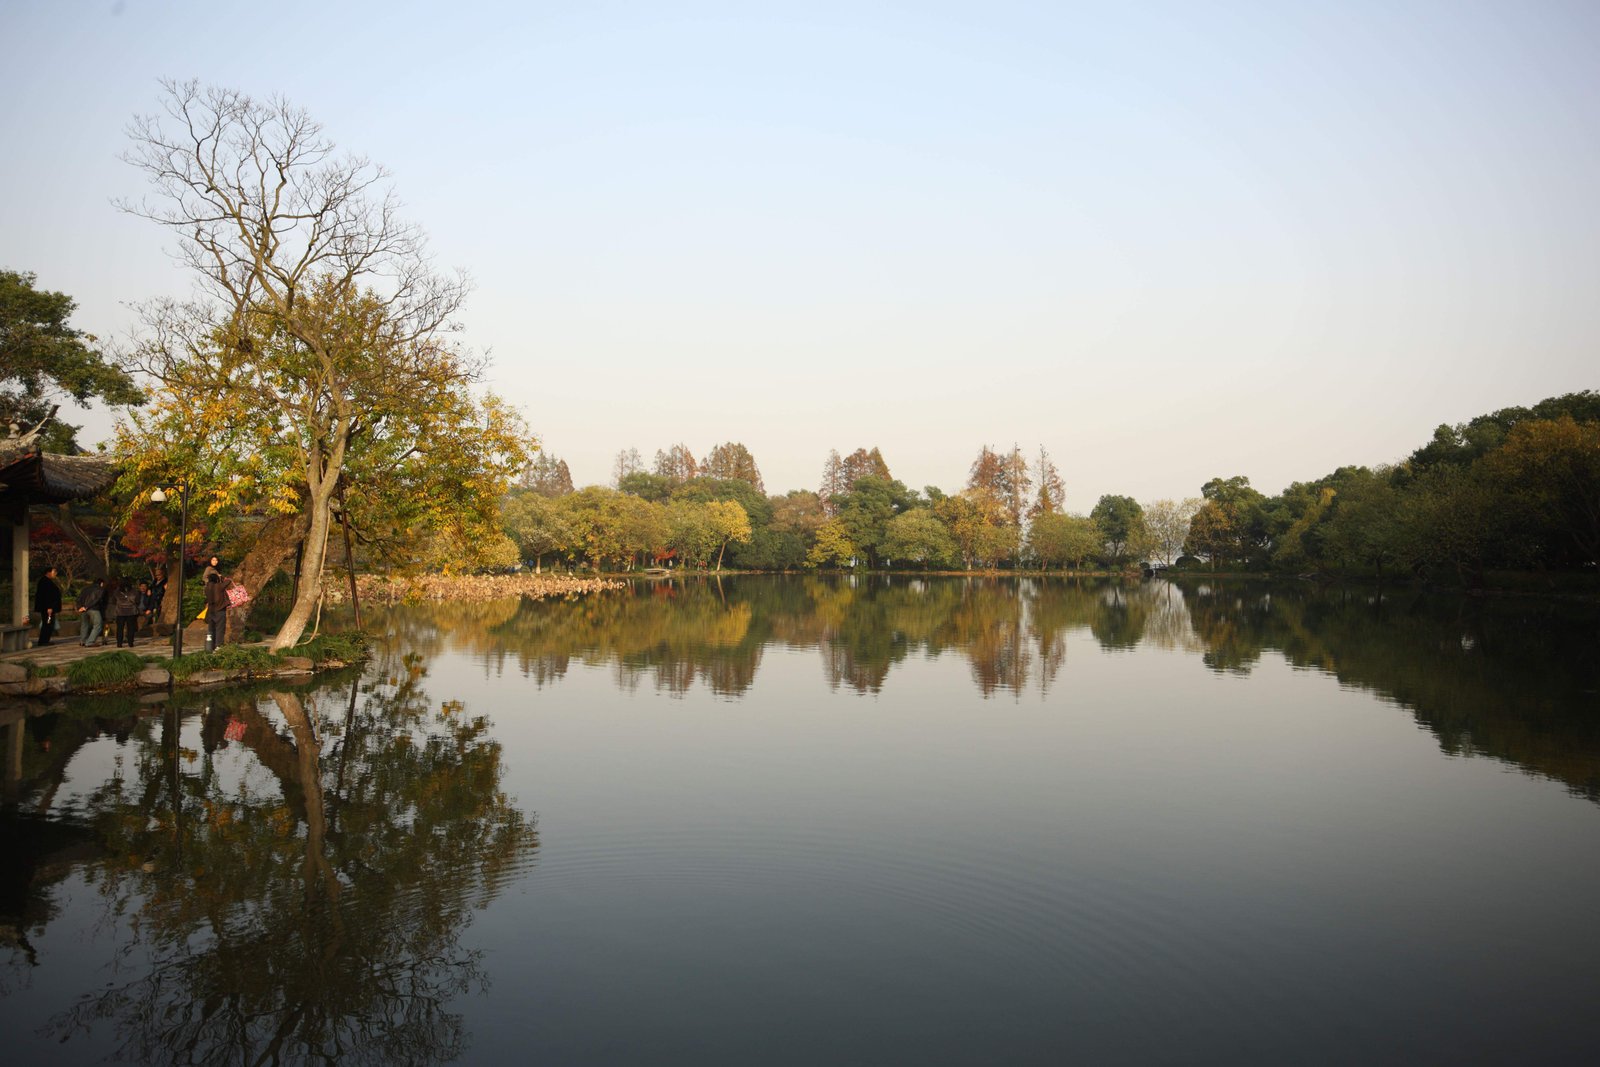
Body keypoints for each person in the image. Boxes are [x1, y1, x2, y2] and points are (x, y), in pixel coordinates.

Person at [33, 566, 62, 646]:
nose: (55, 573)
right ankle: (43, 641)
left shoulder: (47, 581)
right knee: (48, 623)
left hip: (49, 607)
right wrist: (49, 607)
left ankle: (45, 640)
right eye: (54, 572)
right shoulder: (45, 582)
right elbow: (47, 596)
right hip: (48, 608)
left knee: (48, 623)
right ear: (48, 572)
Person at [110, 578, 141, 648]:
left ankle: (119, 643)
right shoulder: (134, 591)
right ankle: (130, 643)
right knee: (131, 628)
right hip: (131, 611)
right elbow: (137, 601)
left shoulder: (116, 591)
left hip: (120, 612)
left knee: (120, 628)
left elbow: (113, 601)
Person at [203, 571, 230, 651]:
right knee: (220, 629)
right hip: (220, 611)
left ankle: (211, 646)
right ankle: (218, 646)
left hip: (211, 611)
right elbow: (228, 581)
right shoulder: (219, 586)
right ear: (216, 579)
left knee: (211, 629)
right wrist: (221, 577)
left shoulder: (206, 588)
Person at [76, 577, 107, 647]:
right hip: (93, 608)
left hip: (83, 609)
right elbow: (96, 599)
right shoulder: (100, 589)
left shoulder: (85, 589)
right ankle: (90, 641)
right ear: (101, 583)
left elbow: (78, 598)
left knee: (84, 625)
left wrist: (80, 607)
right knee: (98, 625)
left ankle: (82, 641)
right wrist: (87, 606)